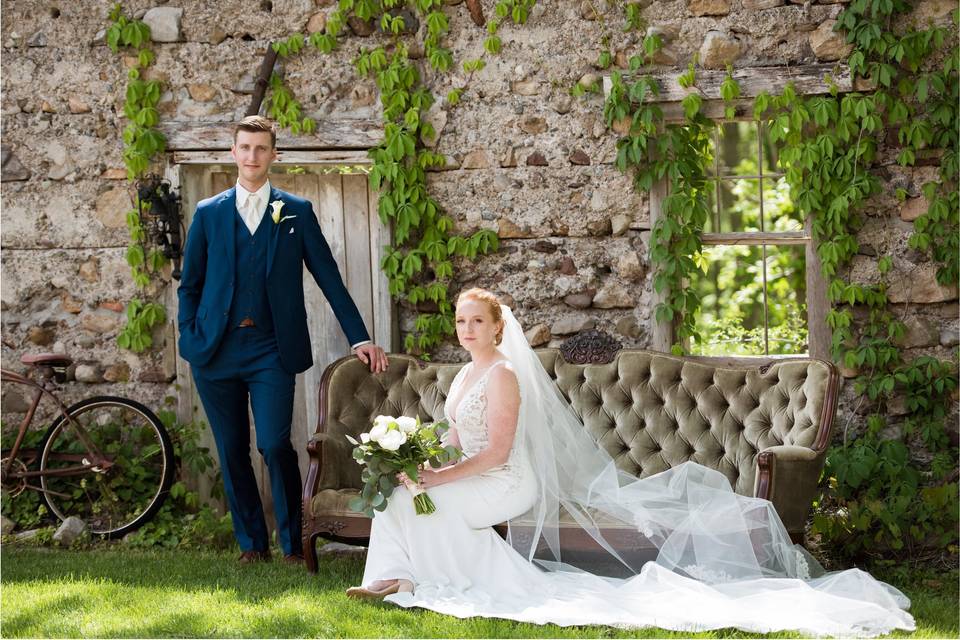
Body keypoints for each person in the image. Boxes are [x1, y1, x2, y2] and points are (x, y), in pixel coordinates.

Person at [347, 287, 915, 637]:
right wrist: (416, 453)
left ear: (497, 327)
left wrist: (438, 475)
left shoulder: (503, 376)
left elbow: (495, 452)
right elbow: (454, 431)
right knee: (401, 490)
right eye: (459, 320)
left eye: (475, 321)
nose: (465, 329)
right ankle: (393, 577)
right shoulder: (466, 372)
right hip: (469, 473)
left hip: (507, 482)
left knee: (428, 498)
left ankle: (437, 575)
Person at [177, 116, 388, 564]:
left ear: (274, 154)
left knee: (274, 443)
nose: (252, 156)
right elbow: (189, 284)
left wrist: (360, 337)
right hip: (215, 351)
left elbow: (329, 278)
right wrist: (189, 334)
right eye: (244, 148)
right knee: (231, 450)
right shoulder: (209, 213)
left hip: (271, 349)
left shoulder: (296, 211)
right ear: (233, 153)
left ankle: (294, 542)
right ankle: (252, 544)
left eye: (261, 148)